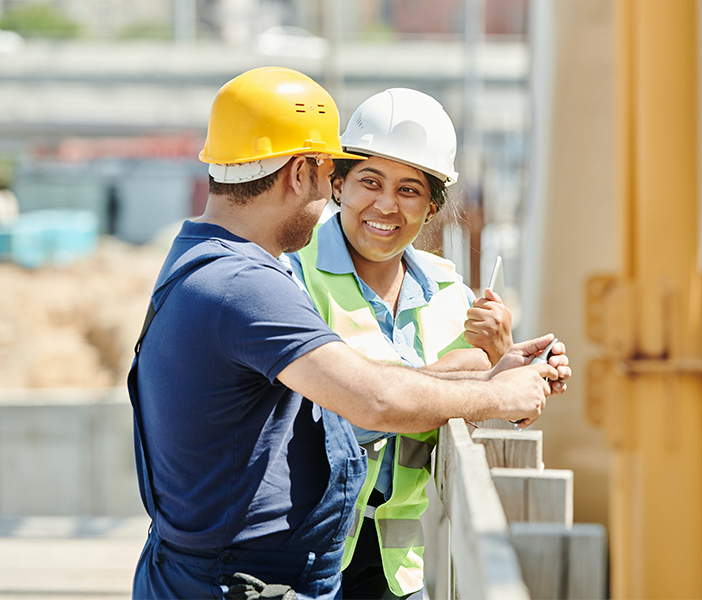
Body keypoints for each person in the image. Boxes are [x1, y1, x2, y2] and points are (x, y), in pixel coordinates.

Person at [129, 67, 569, 600]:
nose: (334, 199)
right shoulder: (250, 284)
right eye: (336, 176)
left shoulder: (213, 264)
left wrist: (488, 372)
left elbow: (355, 392)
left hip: (260, 572)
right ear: (303, 173)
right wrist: (493, 391)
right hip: (238, 579)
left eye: (409, 190)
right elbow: (371, 399)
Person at [287, 88, 564, 600]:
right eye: (370, 181)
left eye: (410, 189)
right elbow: (345, 405)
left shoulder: (448, 291)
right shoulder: (294, 276)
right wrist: (471, 375)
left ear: (432, 205)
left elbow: (469, 410)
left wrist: (504, 366)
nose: (386, 205)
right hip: (302, 554)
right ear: (339, 184)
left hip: (397, 566)